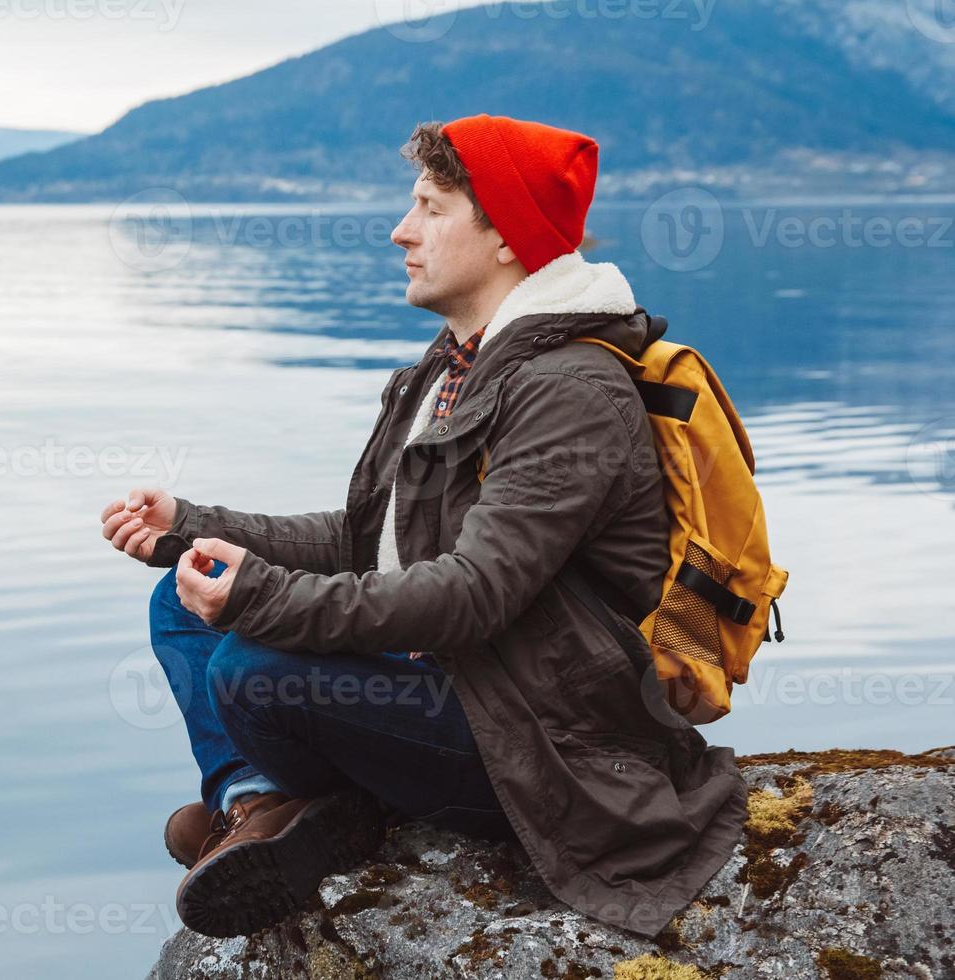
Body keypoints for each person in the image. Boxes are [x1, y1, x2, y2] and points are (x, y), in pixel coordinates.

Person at [98, 114, 748, 940]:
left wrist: (260, 598)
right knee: (179, 596)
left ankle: (303, 805)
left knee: (255, 669)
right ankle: (258, 802)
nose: (401, 231)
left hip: (548, 741)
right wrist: (194, 526)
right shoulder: (451, 367)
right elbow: (367, 538)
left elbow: (473, 595)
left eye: (431, 208)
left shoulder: (570, 392)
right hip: (463, 683)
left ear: (507, 236)